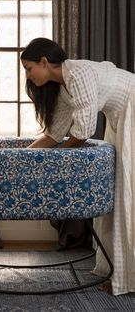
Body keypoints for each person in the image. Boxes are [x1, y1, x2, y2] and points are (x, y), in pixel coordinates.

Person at [20, 37, 135, 296]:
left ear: (44, 62)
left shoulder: (79, 73)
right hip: (119, 118)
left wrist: (58, 156)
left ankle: (130, 277)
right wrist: (20, 157)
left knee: (130, 195)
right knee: (120, 199)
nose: (28, 76)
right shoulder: (63, 89)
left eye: (29, 68)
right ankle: (121, 273)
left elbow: (83, 131)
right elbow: (53, 134)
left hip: (133, 109)